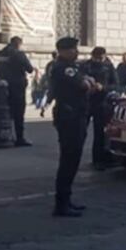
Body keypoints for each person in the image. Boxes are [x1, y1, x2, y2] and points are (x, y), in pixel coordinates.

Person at [47, 37, 95, 217]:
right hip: (70, 117)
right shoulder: (63, 68)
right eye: (73, 49)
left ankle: (66, 200)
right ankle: (61, 204)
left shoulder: (72, 67)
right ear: (63, 50)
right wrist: (89, 84)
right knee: (68, 160)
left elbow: (86, 81)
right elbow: (84, 84)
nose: (76, 52)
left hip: (75, 115)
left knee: (73, 160)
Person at [82, 47, 119, 171]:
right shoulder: (85, 66)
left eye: (101, 57)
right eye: (97, 57)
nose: (99, 60)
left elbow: (116, 85)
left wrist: (103, 87)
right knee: (81, 131)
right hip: (86, 102)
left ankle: (98, 159)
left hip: (102, 103)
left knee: (100, 133)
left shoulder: (108, 66)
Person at [0, 36, 34, 147]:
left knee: (3, 111)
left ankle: (3, 136)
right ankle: (19, 138)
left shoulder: (1, 54)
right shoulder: (18, 54)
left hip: (2, 87)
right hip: (17, 87)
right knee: (18, 113)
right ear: (19, 44)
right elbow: (29, 69)